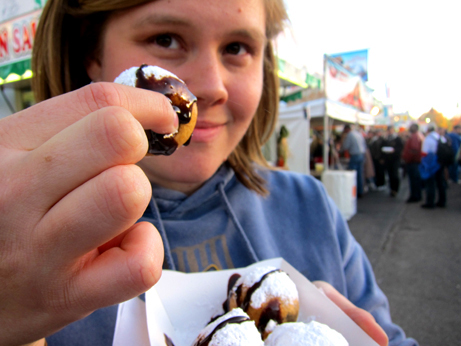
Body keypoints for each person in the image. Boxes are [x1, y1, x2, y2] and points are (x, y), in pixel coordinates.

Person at [0, 1, 418, 346]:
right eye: (166, 39)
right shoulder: (19, 241)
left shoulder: (310, 206)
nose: (211, 85)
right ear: (92, 55)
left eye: (237, 47)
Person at [420, 124, 447, 208]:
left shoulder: (428, 139)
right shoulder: (441, 138)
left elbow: (424, 153)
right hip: (441, 162)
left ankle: (430, 202)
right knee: (440, 182)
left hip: (431, 164)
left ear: (427, 130)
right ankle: (442, 201)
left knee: (430, 183)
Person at [340, 124, 367, 197]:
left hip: (355, 155)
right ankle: (360, 191)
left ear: (346, 129)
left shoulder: (350, 135)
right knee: (360, 174)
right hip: (361, 155)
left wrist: (340, 150)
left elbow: (345, 146)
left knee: (353, 174)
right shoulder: (358, 134)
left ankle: (354, 192)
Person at [402, 123, 423, 203]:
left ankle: (414, 196)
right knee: (416, 180)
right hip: (414, 162)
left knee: (414, 180)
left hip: (413, 162)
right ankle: (417, 195)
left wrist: (408, 158)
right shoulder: (417, 136)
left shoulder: (414, 137)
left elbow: (414, 149)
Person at [381, 126, 404, 197]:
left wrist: (395, 150)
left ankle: (395, 189)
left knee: (395, 175)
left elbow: (400, 148)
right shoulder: (385, 139)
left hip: (395, 159)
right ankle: (391, 189)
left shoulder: (397, 139)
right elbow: (382, 148)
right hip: (388, 160)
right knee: (390, 174)